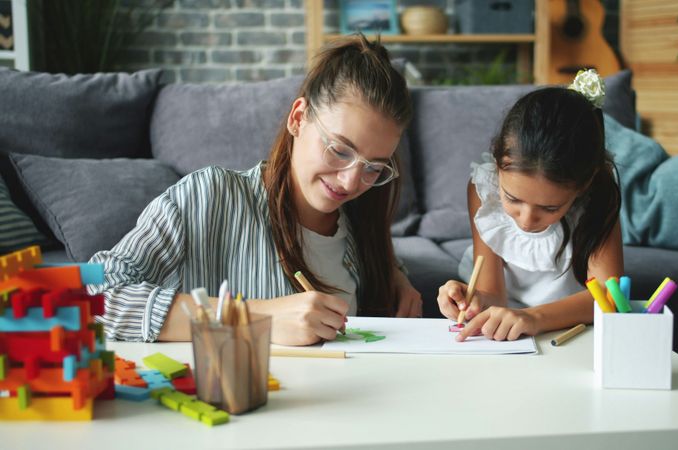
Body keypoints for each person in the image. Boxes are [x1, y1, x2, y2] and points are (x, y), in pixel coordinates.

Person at [89, 34, 422, 345]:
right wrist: (255, 317)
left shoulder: (362, 224)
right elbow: (95, 296)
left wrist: (397, 280)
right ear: (298, 118)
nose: (351, 182)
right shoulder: (210, 195)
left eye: (374, 167)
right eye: (338, 150)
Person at [437, 70, 623, 342]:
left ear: (583, 186)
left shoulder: (597, 198)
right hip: (504, 331)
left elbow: (610, 296)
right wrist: (471, 298)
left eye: (550, 208)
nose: (526, 220)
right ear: (498, 164)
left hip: (568, 330)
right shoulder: (483, 190)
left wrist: (533, 318)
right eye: (512, 199)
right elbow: (493, 294)